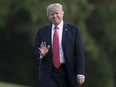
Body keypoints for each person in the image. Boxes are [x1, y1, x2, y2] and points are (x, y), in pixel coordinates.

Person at [33, 3, 85, 87]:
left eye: (57, 13)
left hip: (67, 72)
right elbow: (35, 49)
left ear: (62, 13)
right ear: (48, 16)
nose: (54, 16)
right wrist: (41, 54)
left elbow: (79, 53)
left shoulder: (74, 30)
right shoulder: (42, 31)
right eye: (51, 14)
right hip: (49, 72)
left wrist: (80, 72)